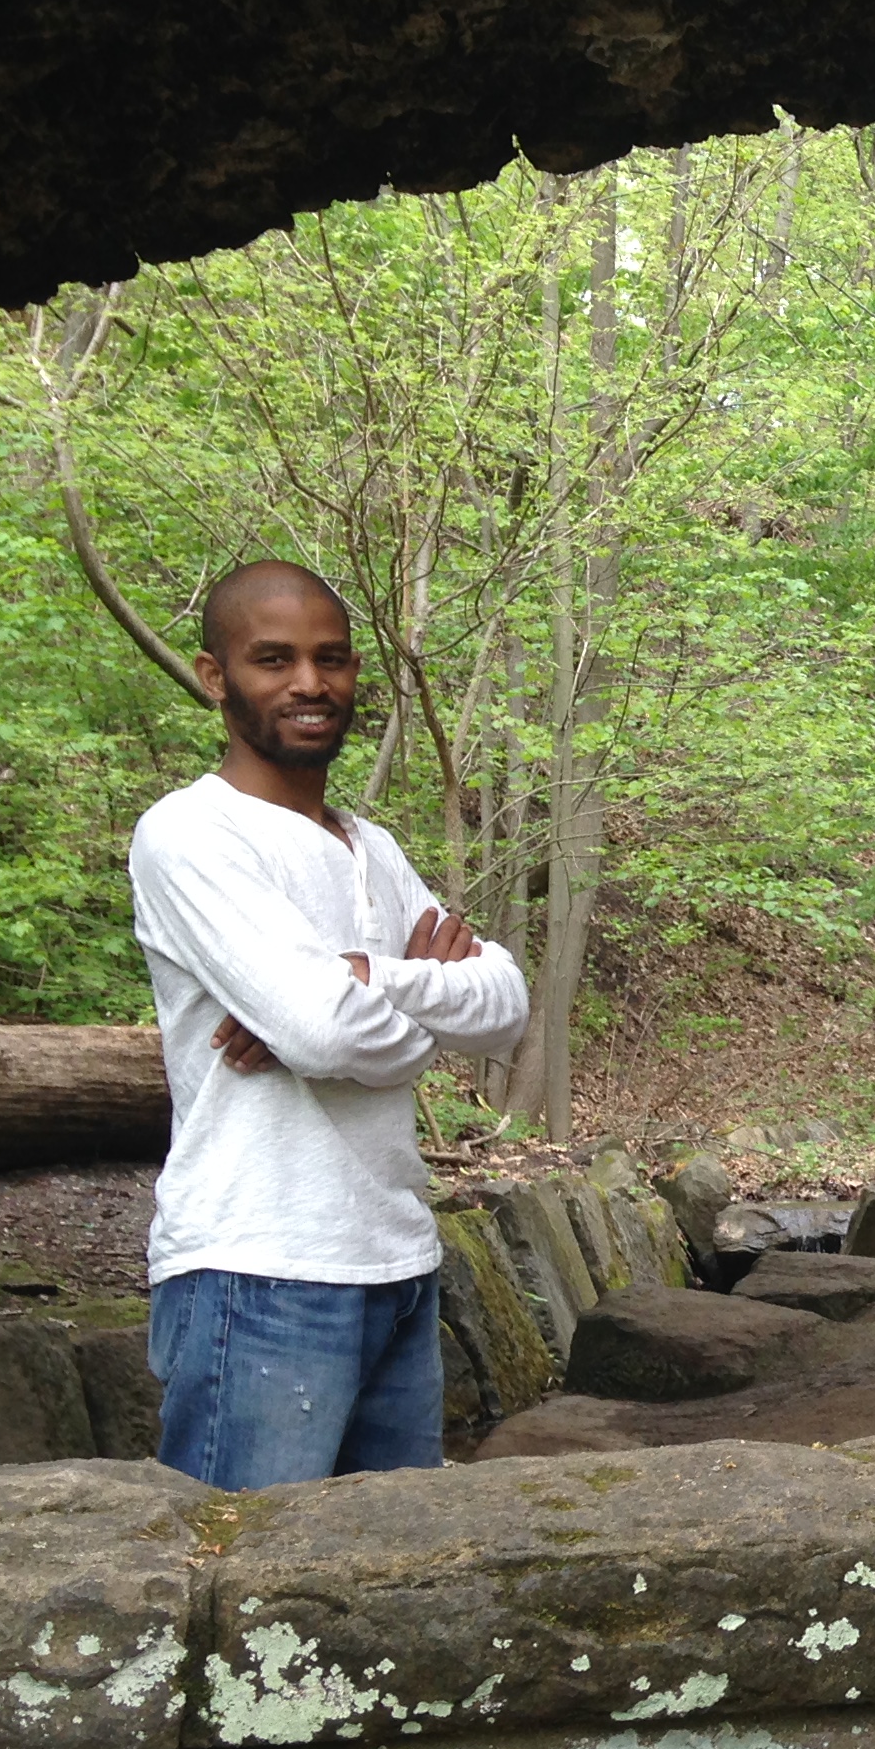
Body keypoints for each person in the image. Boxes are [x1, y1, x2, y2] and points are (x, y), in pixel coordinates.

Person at [130, 559, 529, 1491]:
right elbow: (333, 1035)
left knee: (385, 1583)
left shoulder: (372, 849)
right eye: (274, 659)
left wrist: (368, 978)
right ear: (214, 675)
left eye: (332, 659)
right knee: (240, 1579)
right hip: (257, 1264)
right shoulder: (193, 835)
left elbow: (505, 1006)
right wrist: (413, 997)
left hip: (395, 1260)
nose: (310, 684)